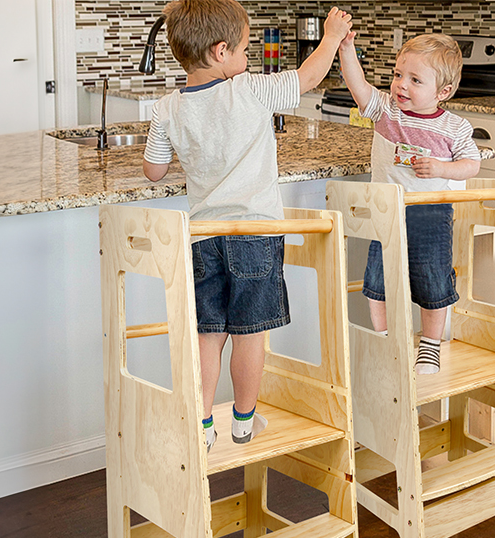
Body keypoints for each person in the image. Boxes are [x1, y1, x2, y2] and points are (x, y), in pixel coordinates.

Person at [143, 0, 352, 451]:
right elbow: (309, 78)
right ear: (220, 52)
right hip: (254, 235)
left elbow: (154, 171)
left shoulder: (166, 108)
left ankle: (201, 426)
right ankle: (242, 421)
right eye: (243, 49)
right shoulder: (251, 90)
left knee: (208, 333)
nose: (246, 59)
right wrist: (331, 37)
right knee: (250, 333)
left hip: (203, 237)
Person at [338, 31, 481, 375]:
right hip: (385, 214)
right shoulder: (387, 112)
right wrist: (345, 49)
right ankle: (387, 339)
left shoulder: (455, 127)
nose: (401, 85)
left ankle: (429, 345)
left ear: (442, 92)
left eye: (415, 80)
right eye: (398, 75)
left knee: (434, 282)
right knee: (377, 284)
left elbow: (472, 164)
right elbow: (358, 86)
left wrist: (442, 168)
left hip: (431, 215)